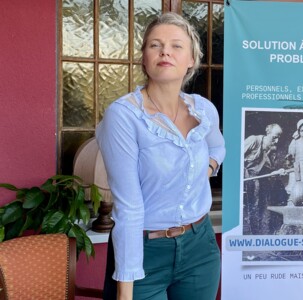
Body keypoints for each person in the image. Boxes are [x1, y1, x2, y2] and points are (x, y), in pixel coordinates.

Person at [96, 12, 225, 300]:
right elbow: (128, 209)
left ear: (192, 59)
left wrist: (205, 169)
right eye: (155, 45)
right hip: (145, 251)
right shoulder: (125, 116)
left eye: (176, 45)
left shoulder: (203, 109)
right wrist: (125, 294)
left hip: (199, 246)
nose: (165, 50)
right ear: (143, 57)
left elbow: (218, 147)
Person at [243, 124, 288, 235]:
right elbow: (234, 156)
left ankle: (257, 236)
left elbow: (265, 172)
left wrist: (276, 172)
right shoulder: (254, 140)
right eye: (274, 137)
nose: (276, 141)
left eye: (278, 138)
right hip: (244, 179)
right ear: (268, 133)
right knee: (250, 208)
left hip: (254, 182)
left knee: (259, 206)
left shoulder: (266, 152)